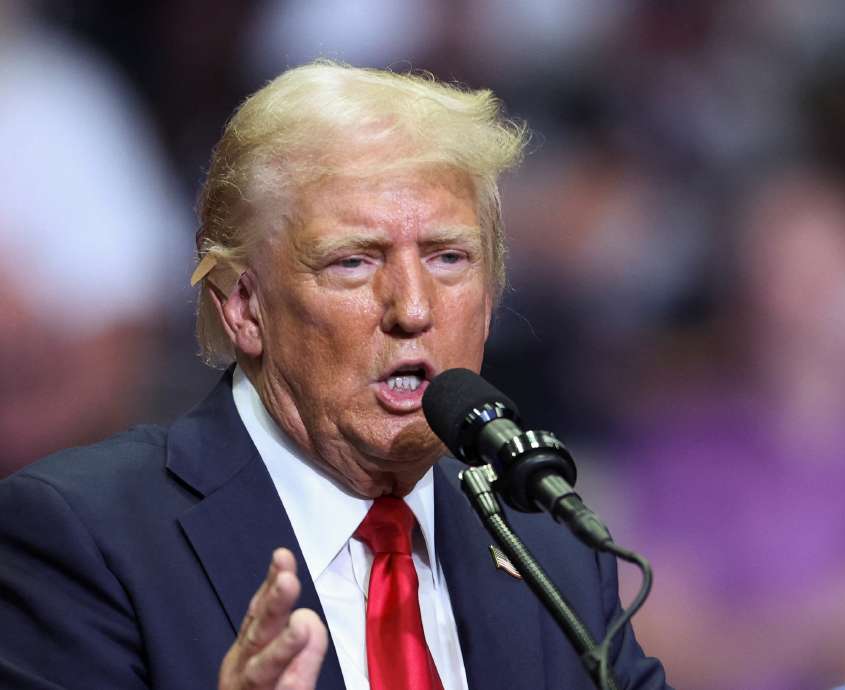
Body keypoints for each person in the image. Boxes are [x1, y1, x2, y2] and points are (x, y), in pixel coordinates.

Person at [0, 61, 669, 690]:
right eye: (352, 261)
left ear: (490, 299)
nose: (412, 308)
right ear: (243, 307)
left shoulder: (553, 556)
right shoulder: (81, 538)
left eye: (448, 258)